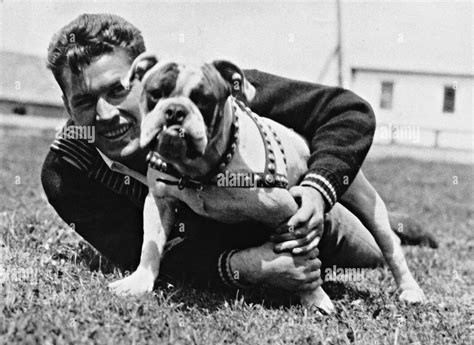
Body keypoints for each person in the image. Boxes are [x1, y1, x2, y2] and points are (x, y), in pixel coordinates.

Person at [41, 13, 386, 295]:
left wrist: (318, 187)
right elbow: (136, 252)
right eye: (84, 102)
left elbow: (348, 112)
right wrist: (245, 267)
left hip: (297, 214)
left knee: (373, 253)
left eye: (118, 90)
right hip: (232, 238)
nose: (106, 114)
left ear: (142, 77)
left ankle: (400, 230)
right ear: (66, 106)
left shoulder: (216, 92)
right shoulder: (67, 170)